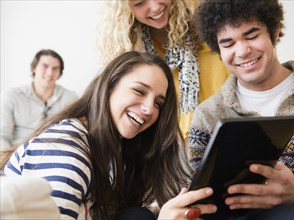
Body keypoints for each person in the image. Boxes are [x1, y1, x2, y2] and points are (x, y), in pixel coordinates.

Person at [4, 51, 217, 220]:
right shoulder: (67, 151)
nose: (149, 109)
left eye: (158, 103)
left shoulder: (111, 149)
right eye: (139, 91)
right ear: (109, 86)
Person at [188, 0, 294, 219]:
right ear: (218, 51)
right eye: (228, 44)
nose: (242, 51)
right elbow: (201, 201)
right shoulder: (207, 117)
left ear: (274, 32)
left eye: (252, 36)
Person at [96, 0, 230, 140]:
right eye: (140, 3)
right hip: (168, 152)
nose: (155, 7)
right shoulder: (131, 52)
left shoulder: (214, 31)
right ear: (126, 10)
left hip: (224, 139)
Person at [1, 49, 77, 153]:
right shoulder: (11, 95)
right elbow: (2, 136)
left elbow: (74, 135)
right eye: (45, 66)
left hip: (54, 157)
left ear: (60, 73)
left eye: (55, 69)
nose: (50, 73)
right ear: (34, 68)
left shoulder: (70, 98)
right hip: (16, 157)